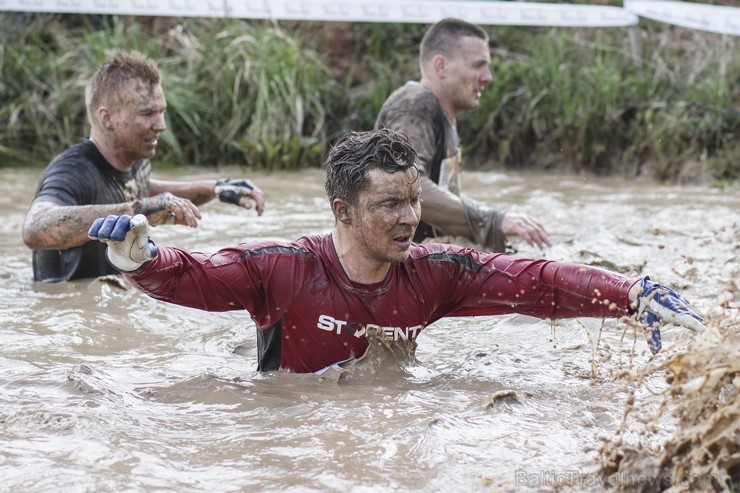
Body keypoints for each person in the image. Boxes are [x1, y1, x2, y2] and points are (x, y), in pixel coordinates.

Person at [88, 129, 705, 374]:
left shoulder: (435, 275)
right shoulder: (284, 268)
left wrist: (629, 294)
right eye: (389, 205)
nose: (411, 219)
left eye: (413, 201)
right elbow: (193, 277)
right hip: (290, 426)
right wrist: (137, 260)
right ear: (342, 211)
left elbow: (533, 281)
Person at [21, 50, 266, 282]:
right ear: (107, 118)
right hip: (65, 314)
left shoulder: (135, 158)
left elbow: (141, 189)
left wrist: (215, 188)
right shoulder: (73, 170)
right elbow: (34, 228)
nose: (161, 125)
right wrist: (136, 209)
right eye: (147, 112)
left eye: (161, 111)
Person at [375, 18, 550, 253]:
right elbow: (403, 185)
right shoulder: (416, 104)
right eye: (478, 65)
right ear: (441, 66)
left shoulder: (443, 115)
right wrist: (492, 221)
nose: (488, 77)